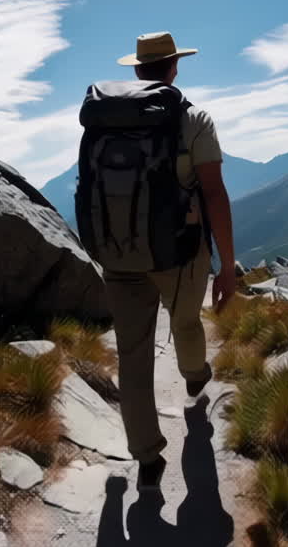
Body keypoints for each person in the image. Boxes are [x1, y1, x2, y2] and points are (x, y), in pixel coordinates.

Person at [75, 31, 237, 493]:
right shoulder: (194, 120)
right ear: (174, 68)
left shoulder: (102, 122)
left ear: (136, 71)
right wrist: (227, 266)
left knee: (132, 354)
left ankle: (146, 457)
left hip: (117, 252)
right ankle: (194, 376)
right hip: (178, 252)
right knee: (185, 322)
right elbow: (213, 194)